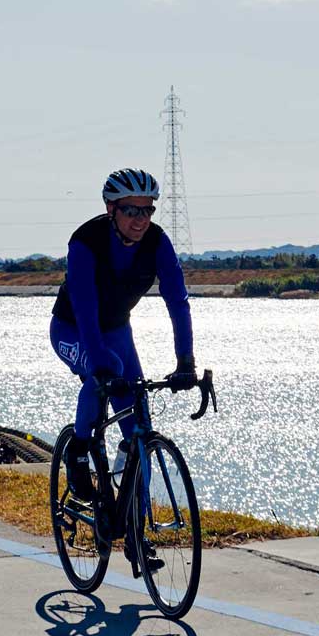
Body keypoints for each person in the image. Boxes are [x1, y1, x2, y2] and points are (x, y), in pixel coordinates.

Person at [50, 168, 197, 573]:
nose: (141, 218)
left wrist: (186, 362)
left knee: (139, 424)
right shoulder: (86, 241)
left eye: (147, 210)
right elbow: (82, 305)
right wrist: (97, 360)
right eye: (131, 209)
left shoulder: (157, 242)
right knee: (105, 373)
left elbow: (177, 302)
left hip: (117, 332)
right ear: (111, 209)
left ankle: (135, 533)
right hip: (73, 330)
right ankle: (79, 452)